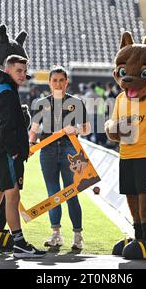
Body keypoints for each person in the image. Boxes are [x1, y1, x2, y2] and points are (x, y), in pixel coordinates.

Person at [0, 55, 46, 258]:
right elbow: (6, 125)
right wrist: (14, 149)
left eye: (24, 71)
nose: (23, 75)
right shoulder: (7, 92)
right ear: (7, 70)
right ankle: (19, 244)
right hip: (6, 153)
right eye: (18, 70)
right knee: (12, 196)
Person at [29, 66, 91, 250]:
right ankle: (56, 234)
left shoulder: (76, 102)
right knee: (53, 194)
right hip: (47, 151)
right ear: (49, 82)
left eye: (61, 80)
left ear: (67, 82)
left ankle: (77, 236)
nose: (58, 84)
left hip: (70, 151)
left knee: (72, 194)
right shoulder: (41, 103)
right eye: (54, 80)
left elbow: (87, 128)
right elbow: (33, 130)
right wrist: (30, 145)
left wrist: (77, 129)